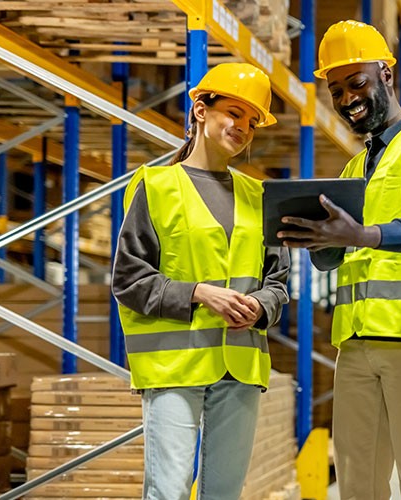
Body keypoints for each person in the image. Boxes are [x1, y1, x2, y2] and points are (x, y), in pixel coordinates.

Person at [277, 20, 401, 500]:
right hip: (356, 346)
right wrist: (315, 239)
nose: (347, 99)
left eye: (357, 82)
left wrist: (360, 233)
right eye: (336, 89)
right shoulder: (355, 167)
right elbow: (340, 259)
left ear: (386, 74)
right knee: (358, 485)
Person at [111, 62, 290, 500]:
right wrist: (197, 293)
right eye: (233, 112)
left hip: (241, 364)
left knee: (224, 493)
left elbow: (278, 281)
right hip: (174, 366)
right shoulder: (156, 186)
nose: (242, 127)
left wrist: (262, 306)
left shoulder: (259, 196)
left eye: (252, 121)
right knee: (168, 490)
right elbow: (129, 277)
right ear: (200, 110)